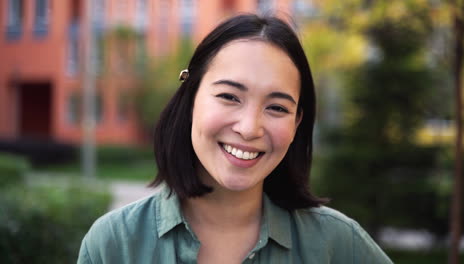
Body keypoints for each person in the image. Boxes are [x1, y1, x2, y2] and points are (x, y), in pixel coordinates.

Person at [78, 14, 393, 264]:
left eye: (277, 107)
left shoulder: (335, 244)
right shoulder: (114, 244)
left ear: (297, 122)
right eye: (229, 96)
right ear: (190, 99)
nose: (249, 127)